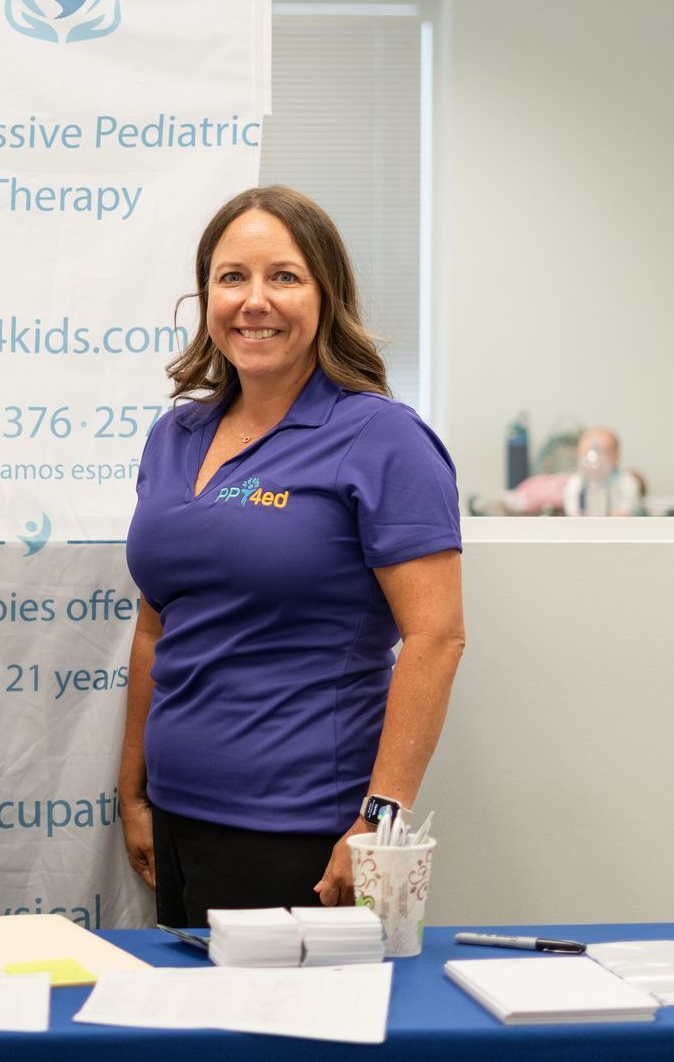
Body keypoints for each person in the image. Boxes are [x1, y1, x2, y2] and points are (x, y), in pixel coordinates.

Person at [118, 185, 466, 920]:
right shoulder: (174, 437)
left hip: (305, 829)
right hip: (177, 816)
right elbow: (155, 626)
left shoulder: (382, 438)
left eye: (284, 276)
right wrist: (133, 791)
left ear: (326, 294)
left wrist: (376, 821)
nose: (255, 301)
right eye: (232, 277)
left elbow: (436, 637)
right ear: (206, 297)